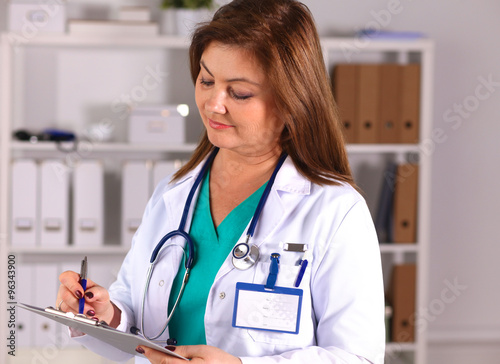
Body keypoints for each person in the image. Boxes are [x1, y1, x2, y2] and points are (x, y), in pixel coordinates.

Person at [56, 0, 385, 363]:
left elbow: (358, 357)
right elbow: (135, 322)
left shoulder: (335, 210)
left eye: (239, 93)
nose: (214, 104)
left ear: (292, 100)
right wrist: (104, 315)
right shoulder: (173, 193)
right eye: (206, 80)